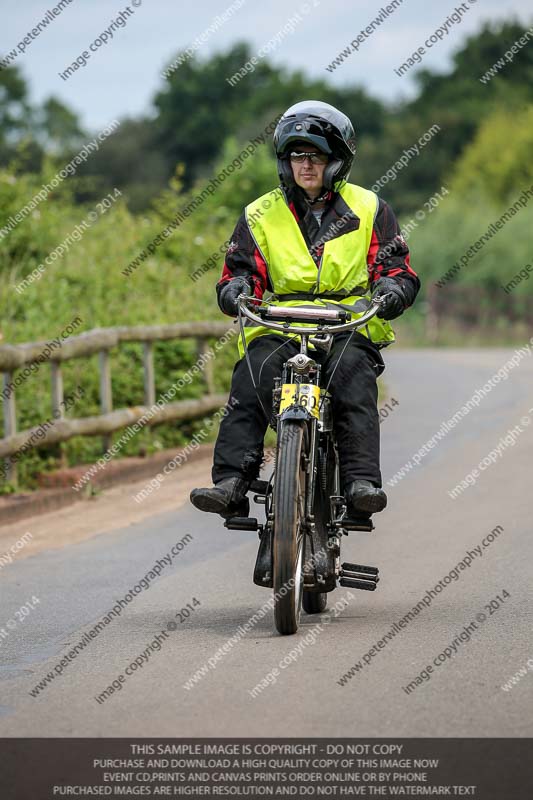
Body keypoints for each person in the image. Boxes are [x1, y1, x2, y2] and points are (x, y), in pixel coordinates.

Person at [190, 100, 420, 519]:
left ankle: (360, 484)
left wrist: (391, 289)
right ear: (285, 161)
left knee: (353, 377)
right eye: (297, 156)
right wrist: (237, 288)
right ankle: (231, 483)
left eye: (316, 156)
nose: (306, 165)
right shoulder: (259, 213)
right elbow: (240, 271)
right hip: (279, 324)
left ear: (337, 160)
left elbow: (396, 267)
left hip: (347, 325)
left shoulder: (370, 208)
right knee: (252, 374)